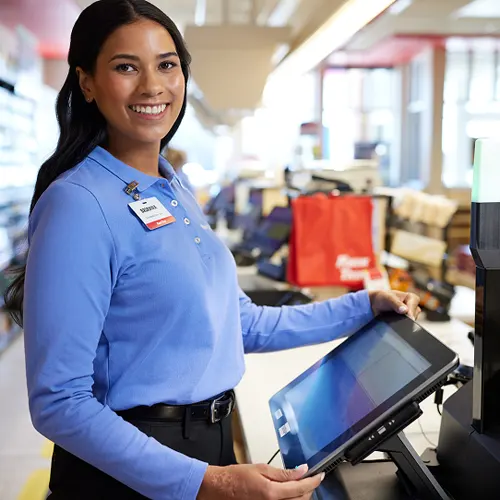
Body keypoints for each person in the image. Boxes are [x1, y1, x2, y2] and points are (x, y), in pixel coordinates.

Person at [3, 1, 421, 499]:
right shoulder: (79, 203)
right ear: (87, 83)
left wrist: (363, 305)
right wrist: (208, 482)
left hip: (207, 446)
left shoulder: (173, 189)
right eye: (125, 67)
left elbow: (238, 323)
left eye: (166, 64)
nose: (151, 85)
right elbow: (59, 402)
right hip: (127, 469)